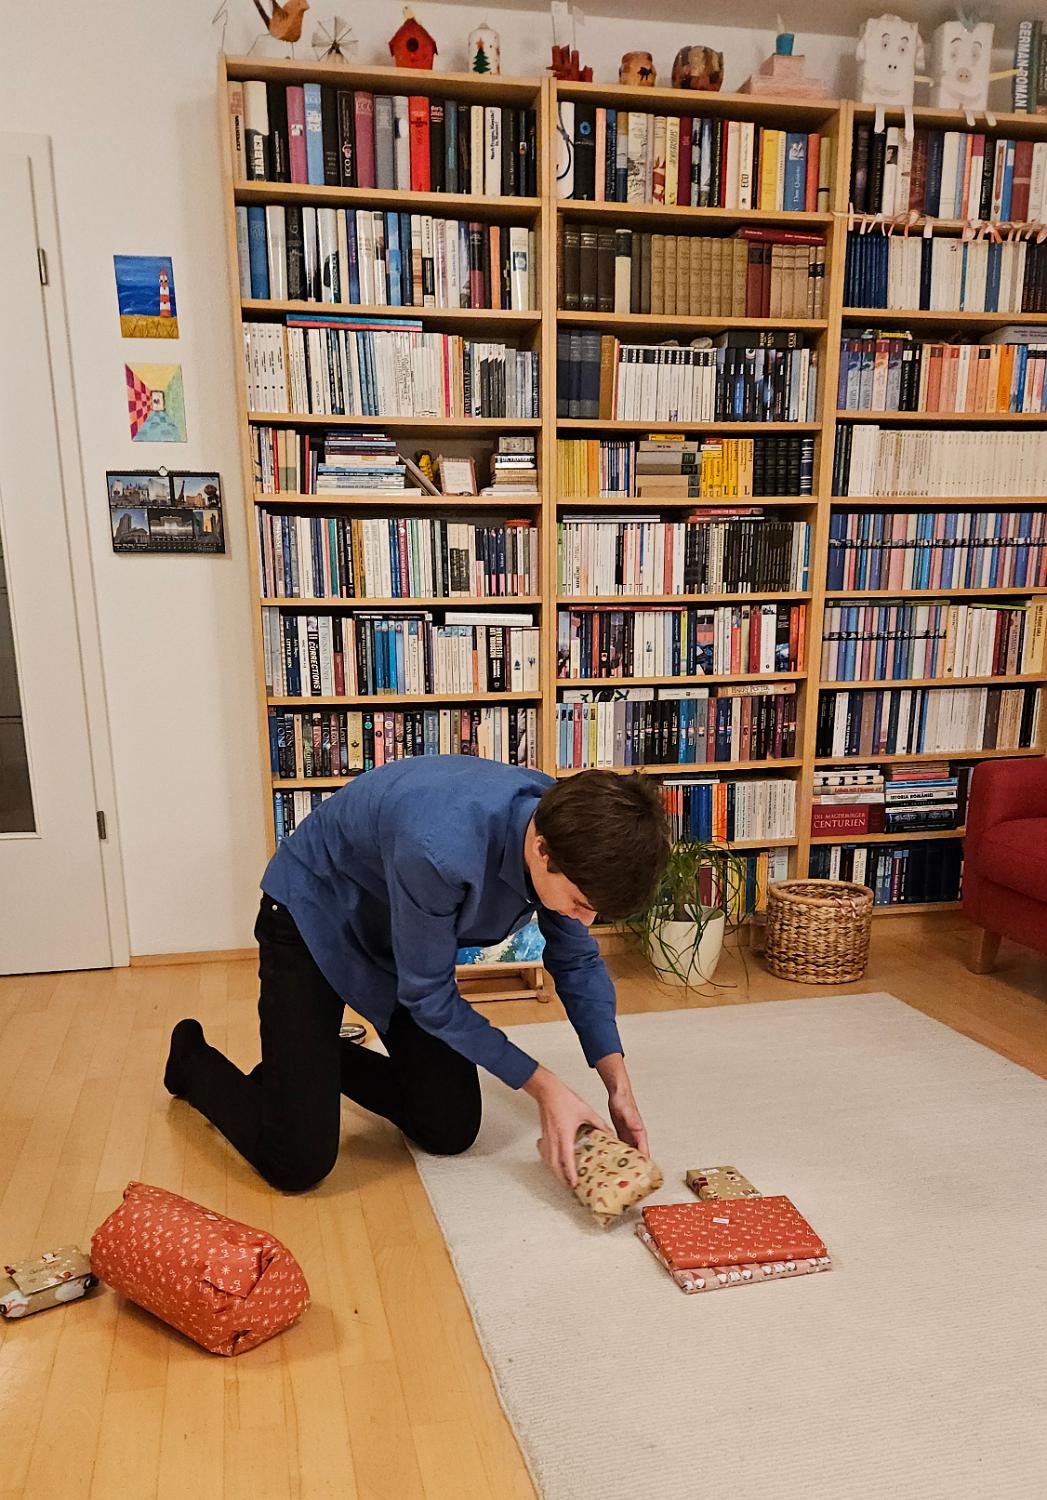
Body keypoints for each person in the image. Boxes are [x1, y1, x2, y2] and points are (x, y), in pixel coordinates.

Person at [164, 757, 670, 1192]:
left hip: (405, 939)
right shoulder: (441, 846)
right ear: (542, 850)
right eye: (580, 903)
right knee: (296, 1162)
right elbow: (429, 997)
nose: (585, 921)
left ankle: (313, 1058)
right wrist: (546, 1087)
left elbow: (576, 960)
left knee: (448, 1126)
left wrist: (617, 1083)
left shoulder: (570, 828)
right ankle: (191, 1060)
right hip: (314, 914)